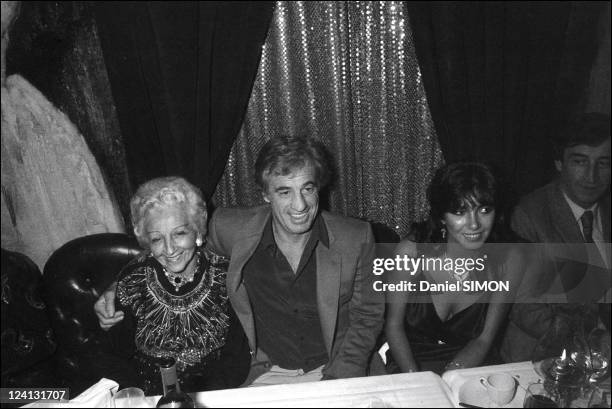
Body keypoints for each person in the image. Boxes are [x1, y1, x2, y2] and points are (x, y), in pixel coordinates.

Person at [97, 136, 385, 385]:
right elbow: (173, 242)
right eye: (284, 191)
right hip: (268, 373)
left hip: (338, 368)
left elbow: (367, 316)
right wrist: (115, 285)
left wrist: (339, 380)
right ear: (265, 195)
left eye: (307, 189)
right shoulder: (232, 228)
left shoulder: (355, 237)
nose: (300, 205)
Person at [100, 176, 250, 395]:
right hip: (149, 396)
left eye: (179, 233)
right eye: (157, 239)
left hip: (214, 394)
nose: (169, 250)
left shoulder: (226, 276)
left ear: (198, 230)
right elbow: (116, 355)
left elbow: (236, 357)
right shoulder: (132, 282)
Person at [385, 162, 525, 374]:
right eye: (460, 211)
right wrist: (418, 379)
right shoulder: (410, 252)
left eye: (484, 210)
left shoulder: (510, 259)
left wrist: (450, 378)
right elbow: (393, 327)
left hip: (472, 364)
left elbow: (484, 338)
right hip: (410, 362)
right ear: (442, 216)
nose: (474, 224)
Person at [500, 113, 611, 363]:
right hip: (541, 357)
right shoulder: (529, 215)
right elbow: (523, 307)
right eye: (580, 162)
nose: (592, 176)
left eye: (604, 163)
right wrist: (591, 342)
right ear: (559, 163)